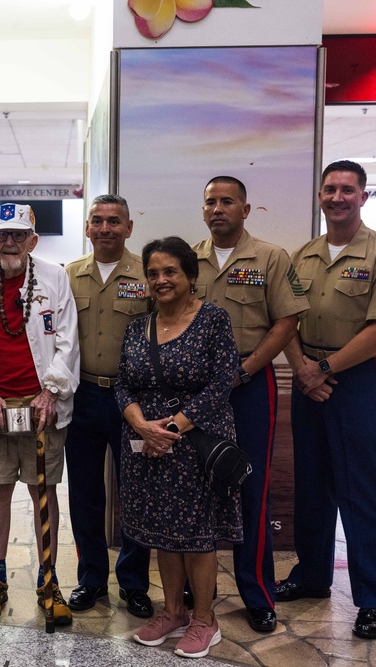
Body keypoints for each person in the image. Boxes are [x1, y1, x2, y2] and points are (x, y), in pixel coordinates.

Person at [278, 160, 376, 641]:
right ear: (319, 195)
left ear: (363, 196)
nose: (338, 197)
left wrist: (326, 368)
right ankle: (312, 577)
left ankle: (374, 600)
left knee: (364, 491)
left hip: (358, 382)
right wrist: (303, 370)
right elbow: (285, 319)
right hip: (309, 376)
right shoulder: (302, 256)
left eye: (348, 190)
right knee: (311, 485)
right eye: (330, 189)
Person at [0, 203, 80, 626]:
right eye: (2, 234)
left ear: (32, 241)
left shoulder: (55, 278)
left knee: (44, 492)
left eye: (18, 235)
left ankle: (49, 580)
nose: (9, 242)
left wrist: (51, 391)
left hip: (42, 407)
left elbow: (66, 343)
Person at [193, 176, 308, 633]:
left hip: (249, 382)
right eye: (210, 202)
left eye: (227, 201)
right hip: (197, 390)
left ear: (246, 209)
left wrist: (247, 368)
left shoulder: (270, 257)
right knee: (195, 487)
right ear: (203, 210)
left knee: (251, 488)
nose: (217, 208)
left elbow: (287, 320)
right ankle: (193, 590)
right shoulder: (189, 259)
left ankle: (257, 592)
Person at [117, 236, 241, 660]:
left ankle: (205, 620)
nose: (160, 280)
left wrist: (170, 428)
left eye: (170, 271)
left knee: (196, 534)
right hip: (146, 443)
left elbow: (223, 381)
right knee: (162, 532)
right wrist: (139, 423)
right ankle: (172, 612)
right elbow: (123, 383)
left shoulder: (213, 320)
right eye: (153, 273)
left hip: (194, 442)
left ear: (190, 276)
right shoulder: (138, 326)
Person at [63, 194, 153, 618]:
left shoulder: (147, 275)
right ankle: (91, 579)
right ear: (87, 227)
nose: (105, 228)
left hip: (132, 401)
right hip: (81, 398)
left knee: (136, 493)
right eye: (97, 221)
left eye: (114, 221)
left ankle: (134, 583)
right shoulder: (68, 276)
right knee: (84, 492)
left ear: (129, 228)